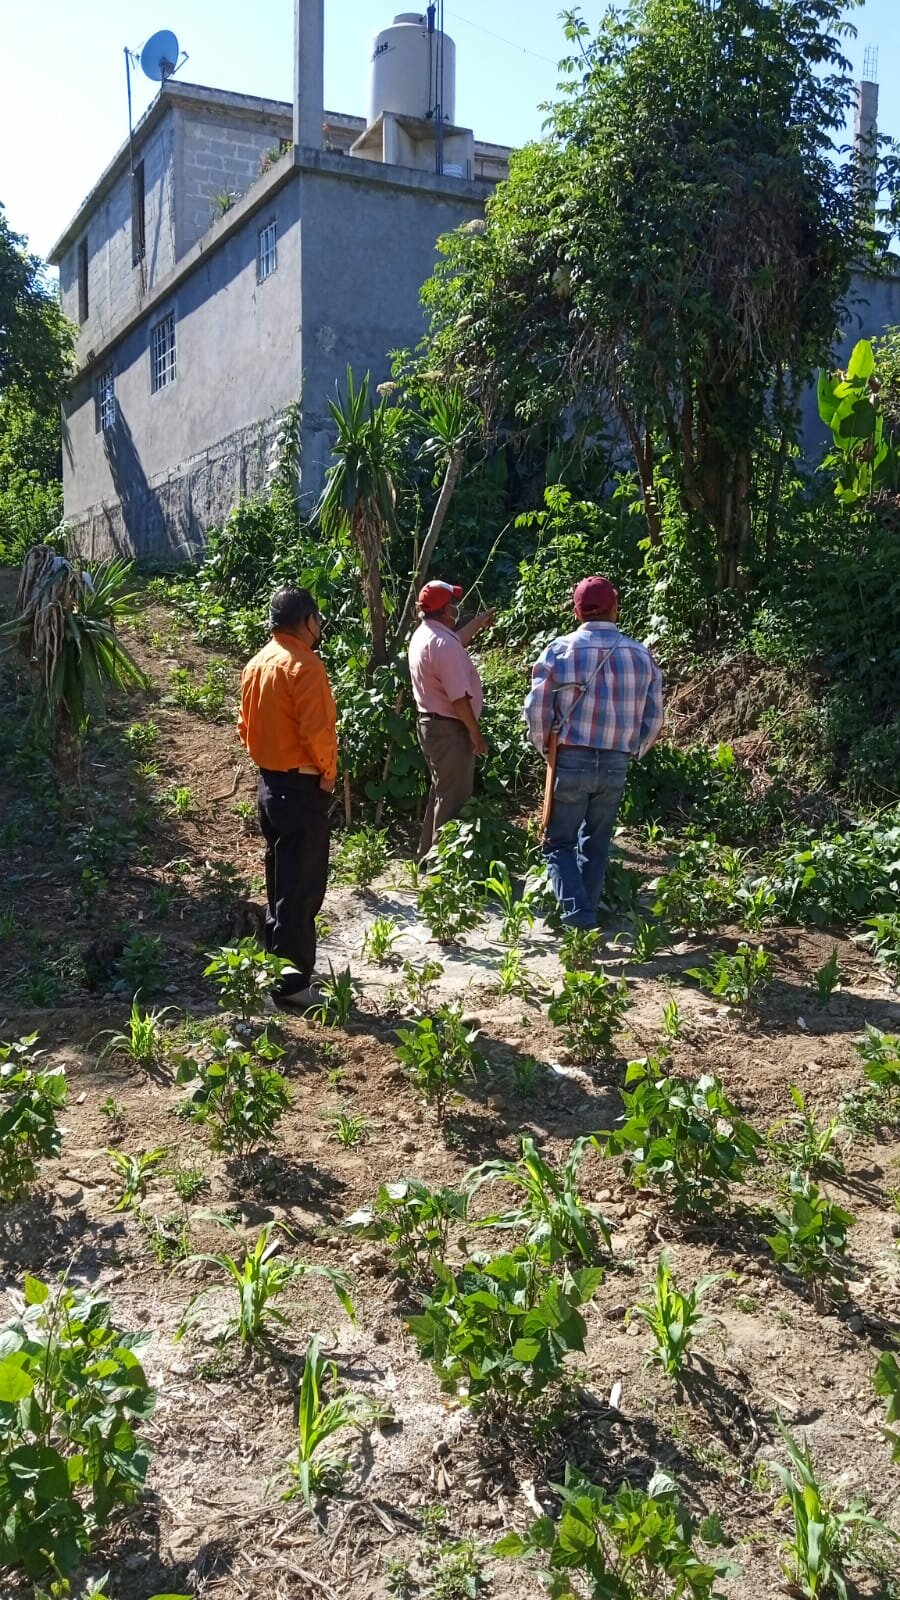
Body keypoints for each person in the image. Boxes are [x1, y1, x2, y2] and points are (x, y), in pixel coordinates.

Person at [524, 575, 664, 930]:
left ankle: (578, 917)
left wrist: (546, 749)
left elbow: (536, 709)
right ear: (615, 608)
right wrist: (634, 750)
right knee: (597, 843)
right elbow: (654, 717)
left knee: (558, 842)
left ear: (577, 611)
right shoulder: (640, 654)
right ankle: (586, 918)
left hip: (571, 757)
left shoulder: (559, 651)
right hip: (616, 761)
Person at [237, 586, 337, 1003]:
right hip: (301, 787)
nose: (320, 626)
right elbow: (317, 732)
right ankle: (292, 985)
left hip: (269, 784)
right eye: (317, 618)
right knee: (302, 884)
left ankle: (277, 967)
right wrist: (328, 774)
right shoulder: (305, 666)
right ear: (307, 620)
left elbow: (244, 727)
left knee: (280, 878)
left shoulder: (257, 663)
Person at [408, 579, 494, 859]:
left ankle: (427, 856)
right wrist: (475, 734)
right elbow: (459, 698)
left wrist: (478, 623)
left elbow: (456, 641)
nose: (457, 608)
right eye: (454, 604)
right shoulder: (443, 644)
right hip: (450, 730)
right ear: (446, 611)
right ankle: (442, 866)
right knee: (454, 799)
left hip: (433, 726)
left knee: (443, 792)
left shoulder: (426, 634)